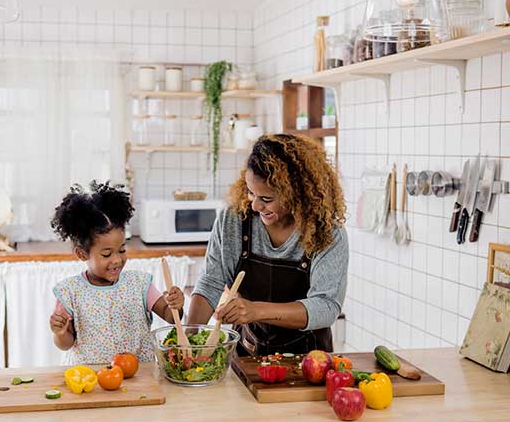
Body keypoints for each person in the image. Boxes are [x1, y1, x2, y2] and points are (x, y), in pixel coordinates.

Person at [189, 134, 348, 356]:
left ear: (297, 194)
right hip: (248, 350)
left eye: (266, 199)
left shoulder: (327, 233)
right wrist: (188, 340)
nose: (254, 205)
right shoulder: (234, 219)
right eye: (250, 192)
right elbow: (210, 283)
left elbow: (325, 307)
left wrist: (256, 310)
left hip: (310, 357)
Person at [49, 181, 184, 364]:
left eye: (121, 250)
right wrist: (60, 332)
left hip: (138, 376)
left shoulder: (139, 283)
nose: (117, 260)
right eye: (106, 254)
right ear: (82, 254)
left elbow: (170, 316)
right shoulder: (70, 291)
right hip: (91, 380)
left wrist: (176, 304)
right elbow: (65, 344)